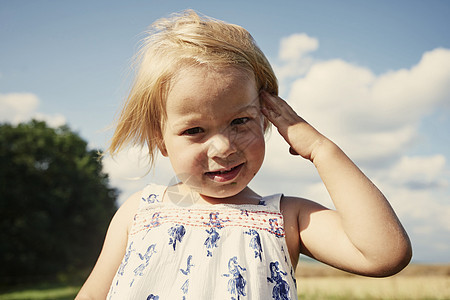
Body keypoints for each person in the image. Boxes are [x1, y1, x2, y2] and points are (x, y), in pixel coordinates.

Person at [76, 10, 412, 299]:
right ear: (161, 141)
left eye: (240, 121)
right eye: (195, 131)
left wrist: (321, 150)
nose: (224, 148)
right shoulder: (141, 210)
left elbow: (384, 253)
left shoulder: (286, 218)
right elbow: (93, 293)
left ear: (266, 117)